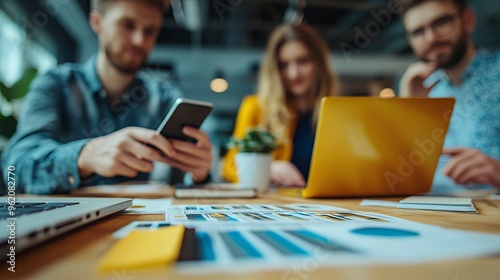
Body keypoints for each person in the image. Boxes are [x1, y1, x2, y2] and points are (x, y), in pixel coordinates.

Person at [1, 0, 213, 194]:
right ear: (97, 22)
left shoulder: (166, 99)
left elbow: (178, 182)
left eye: (150, 31)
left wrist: (199, 174)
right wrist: (85, 155)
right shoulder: (55, 85)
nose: (140, 40)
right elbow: (15, 167)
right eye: (128, 25)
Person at [399, 0, 500, 192]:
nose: (431, 38)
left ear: (468, 21)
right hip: (425, 211)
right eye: (418, 32)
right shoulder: (423, 91)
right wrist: (408, 106)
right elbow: (402, 173)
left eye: (441, 23)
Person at [221, 23, 340, 186]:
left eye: (303, 61)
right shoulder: (255, 107)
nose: (293, 73)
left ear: (318, 63)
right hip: (281, 205)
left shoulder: (336, 113)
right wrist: (265, 168)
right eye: (284, 65)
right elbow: (230, 167)